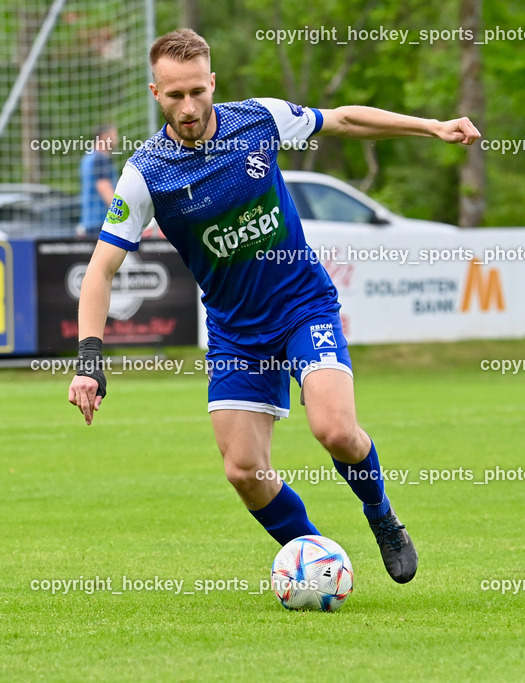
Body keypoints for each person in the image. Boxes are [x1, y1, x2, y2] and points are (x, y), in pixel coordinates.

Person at [67, 28, 480, 584]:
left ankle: (381, 515)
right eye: (175, 95)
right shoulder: (146, 173)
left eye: (197, 91)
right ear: (155, 93)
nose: (188, 107)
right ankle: (315, 560)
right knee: (244, 471)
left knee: (336, 431)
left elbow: (343, 120)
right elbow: (100, 270)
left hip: (303, 307)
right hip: (236, 333)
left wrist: (430, 126)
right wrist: (89, 361)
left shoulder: (258, 120)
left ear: (213, 83)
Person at [78, 123, 119, 236]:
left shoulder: (87, 158)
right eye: (114, 135)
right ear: (104, 136)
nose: (117, 139)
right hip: (102, 222)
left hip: (89, 222)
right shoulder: (101, 158)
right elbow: (103, 187)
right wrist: (120, 214)